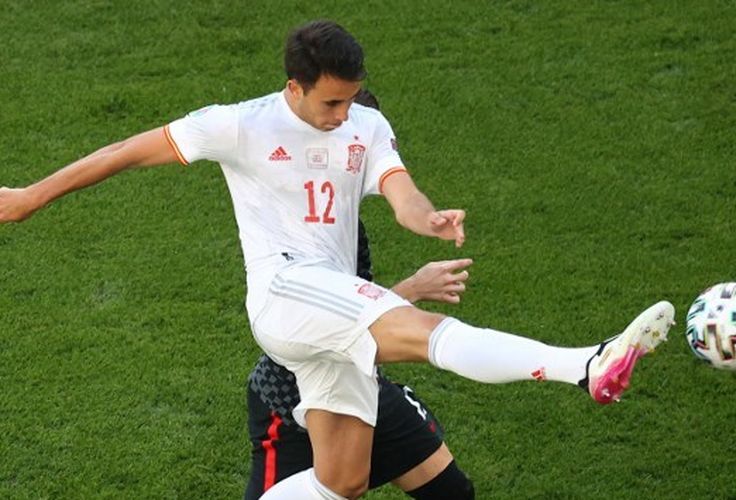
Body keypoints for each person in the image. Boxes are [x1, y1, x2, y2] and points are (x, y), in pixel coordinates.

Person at [0, 19, 676, 500]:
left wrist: (427, 216)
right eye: (330, 101)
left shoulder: (365, 124)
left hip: (330, 310)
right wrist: (31, 197)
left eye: (351, 99)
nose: (342, 114)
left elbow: (399, 191)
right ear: (293, 87)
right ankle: (583, 365)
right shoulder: (238, 124)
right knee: (418, 333)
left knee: (343, 479)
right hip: (286, 292)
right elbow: (122, 152)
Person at [245, 88, 475, 500]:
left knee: (451, 493)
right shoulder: (295, 231)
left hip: (359, 383)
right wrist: (412, 289)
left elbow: (353, 316)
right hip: (293, 399)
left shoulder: (343, 222)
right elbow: (332, 327)